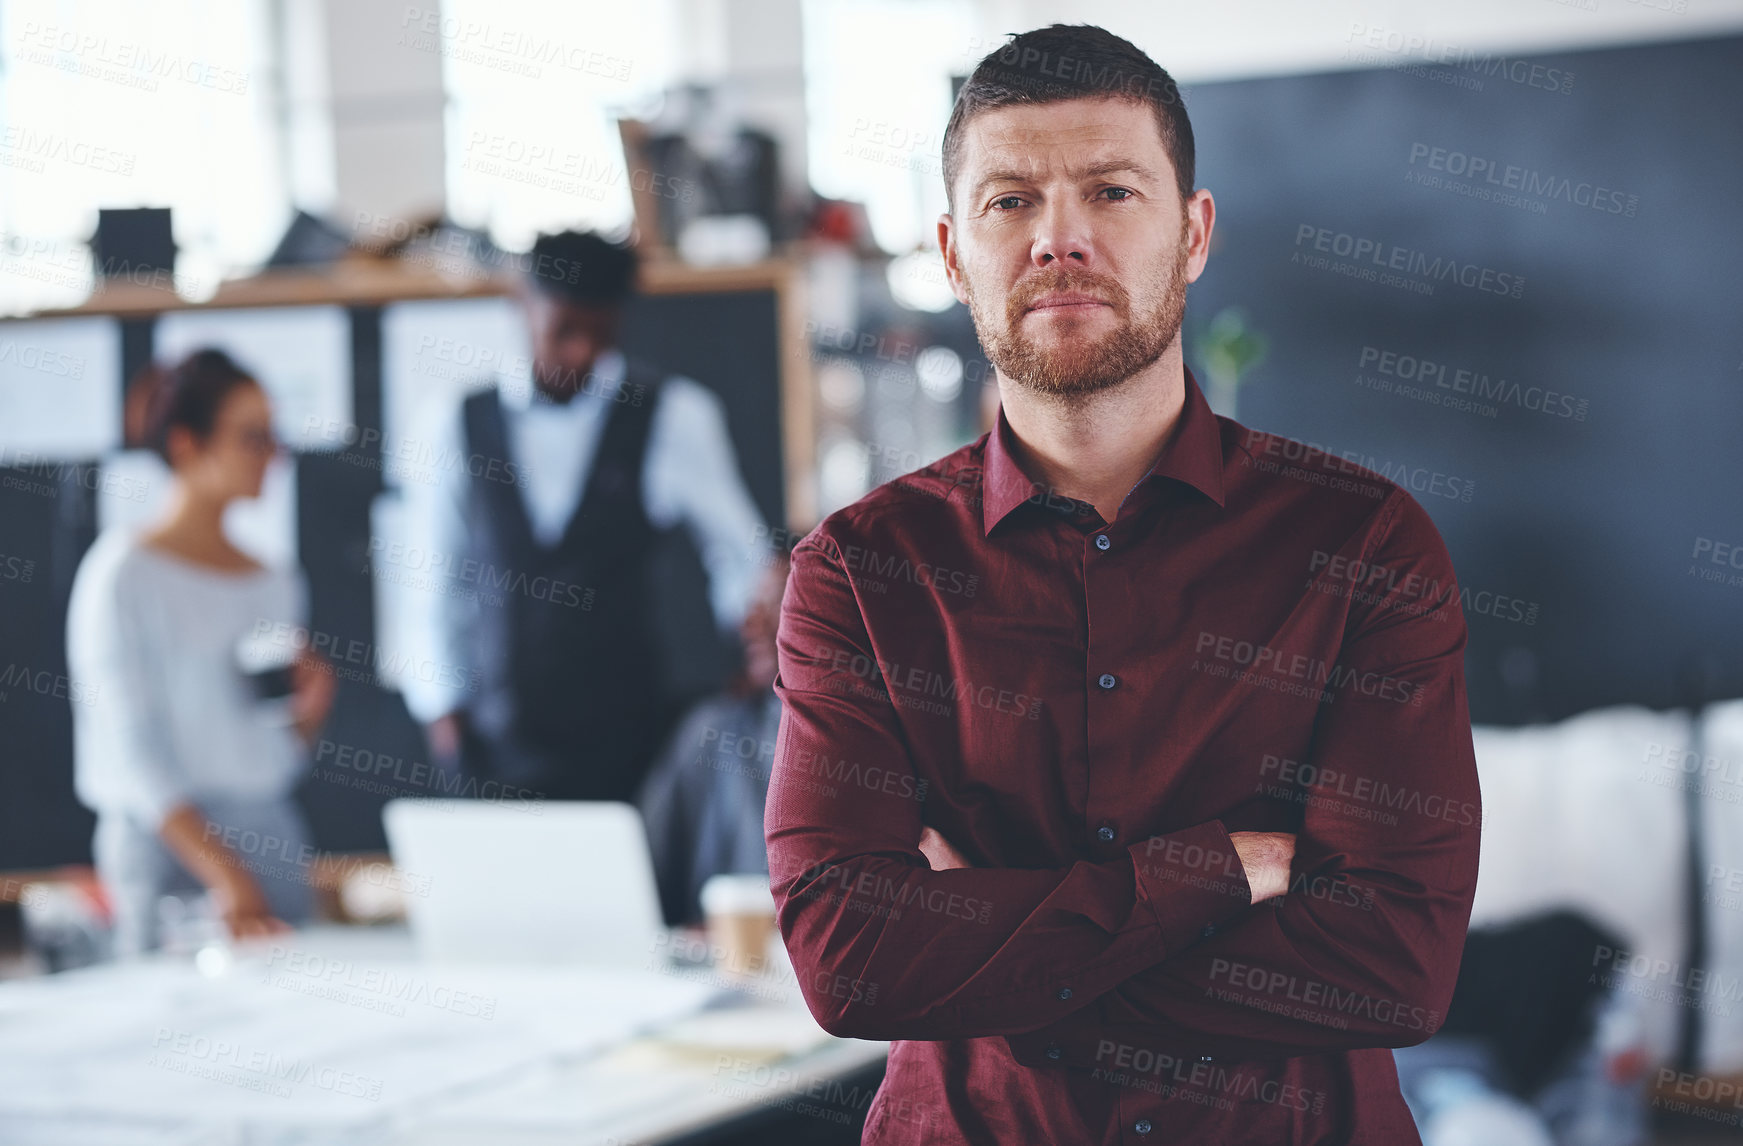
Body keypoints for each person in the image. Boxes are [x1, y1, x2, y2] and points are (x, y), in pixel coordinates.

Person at [765, 24, 1481, 1146]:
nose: (1060, 240)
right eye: (1010, 202)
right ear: (952, 255)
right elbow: (850, 963)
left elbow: (1392, 965)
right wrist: (1218, 871)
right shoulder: (860, 576)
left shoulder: (1366, 546)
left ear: (1192, 235)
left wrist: (998, 959)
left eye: (1110, 190)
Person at [396, 230, 766, 803]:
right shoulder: (453, 422)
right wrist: (441, 705)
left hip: (631, 739)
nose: (582, 354)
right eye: (564, 330)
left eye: (601, 334)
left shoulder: (673, 416)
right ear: (521, 304)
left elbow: (739, 553)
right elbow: (431, 575)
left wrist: (755, 644)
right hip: (495, 738)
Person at [67, 348, 334, 954]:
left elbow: (276, 755)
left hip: (270, 842)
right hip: (167, 855)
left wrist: (309, 716)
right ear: (187, 444)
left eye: (274, 436)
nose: (273, 455)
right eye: (252, 437)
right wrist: (227, 875)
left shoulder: (274, 579)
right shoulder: (122, 575)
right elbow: (132, 753)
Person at [638, 551, 788, 925]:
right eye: (754, 606)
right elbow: (645, 868)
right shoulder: (711, 730)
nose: (752, 623)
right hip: (718, 960)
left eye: (781, 604)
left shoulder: (877, 746)